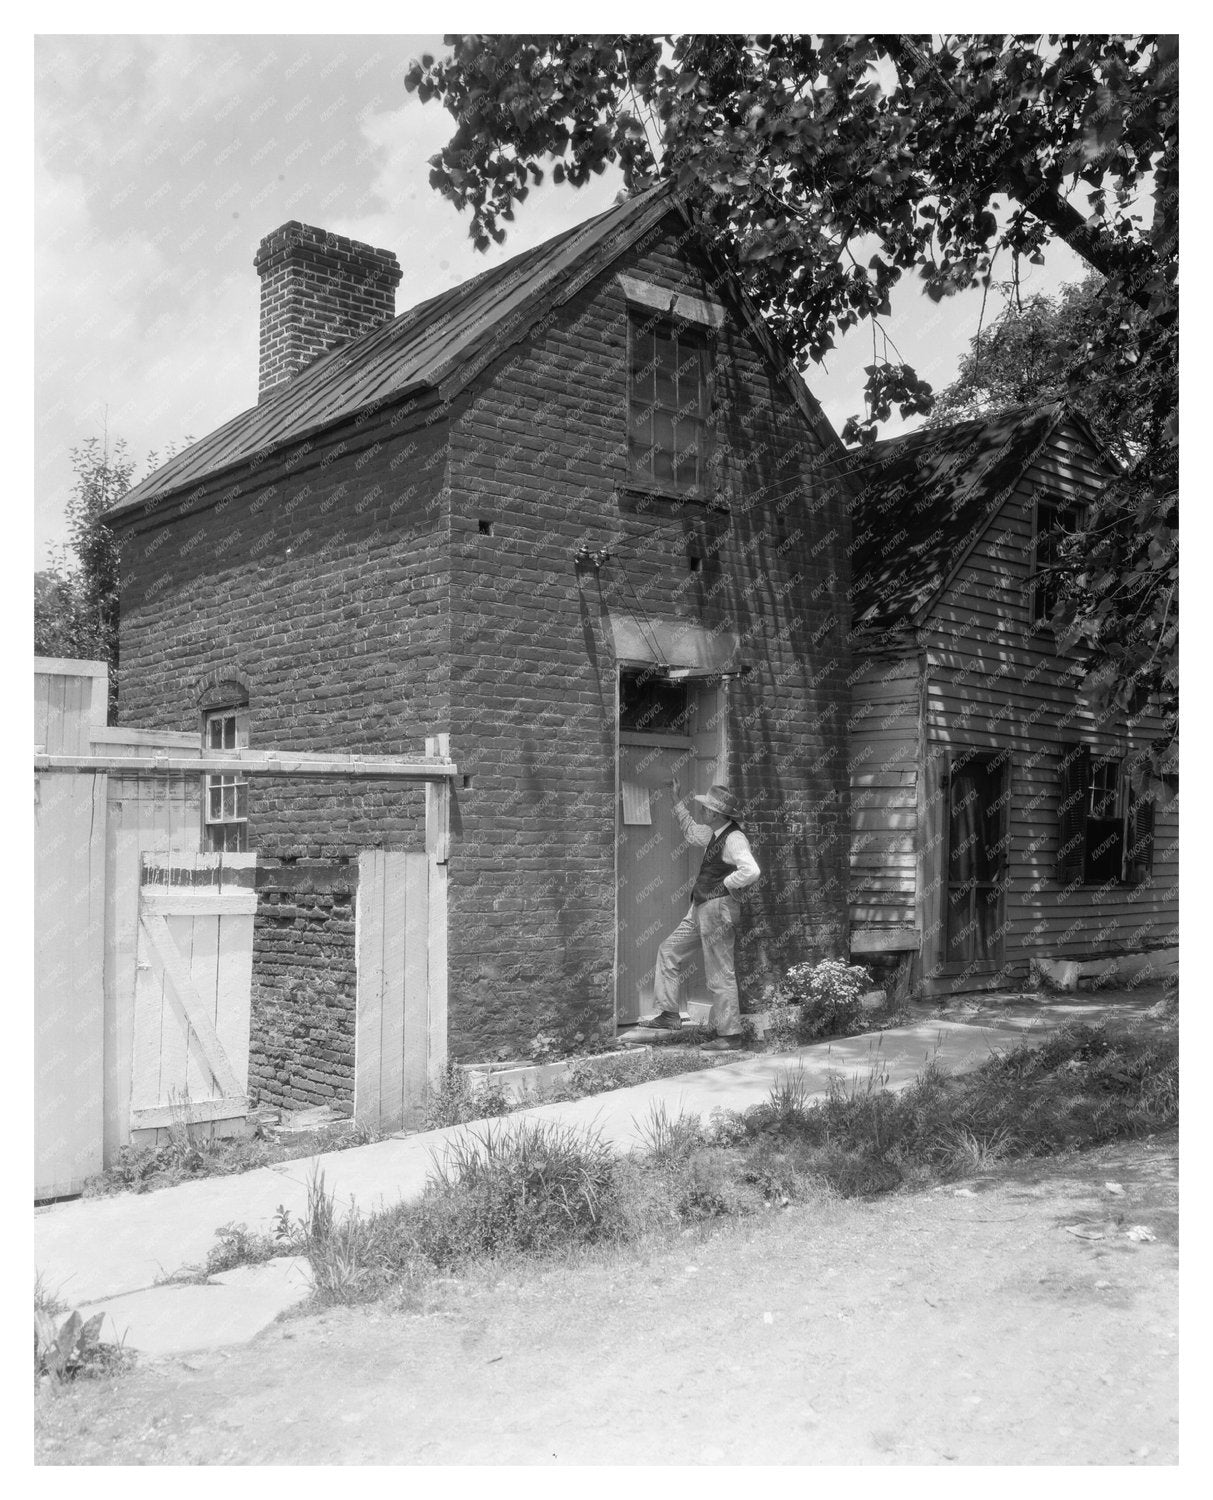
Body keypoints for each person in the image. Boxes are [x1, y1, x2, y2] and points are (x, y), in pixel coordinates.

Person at [636, 778, 760, 1052]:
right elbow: (692, 832)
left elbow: (751, 871)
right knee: (669, 950)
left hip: (717, 909)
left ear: (715, 814)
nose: (702, 812)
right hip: (701, 907)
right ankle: (668, 1014)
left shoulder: (734, 838)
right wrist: (676, 799)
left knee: (719, 972)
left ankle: (730, 1035)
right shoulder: (714, 834)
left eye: (705, 809)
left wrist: (725, 885)